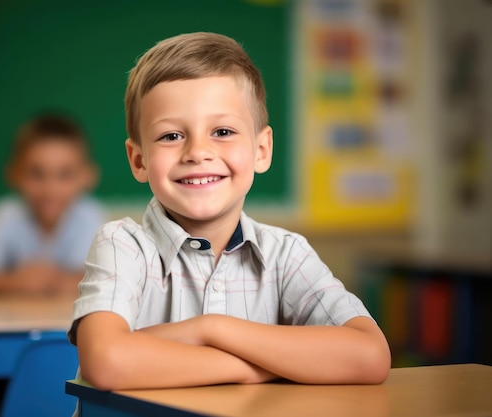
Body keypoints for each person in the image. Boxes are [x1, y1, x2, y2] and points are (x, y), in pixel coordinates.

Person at [70, 32, 390, 390]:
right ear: (139, 160)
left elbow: (369, 355)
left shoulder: (286, 255)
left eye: (222, 131)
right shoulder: (122, 245)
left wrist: (213, 328)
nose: (198, 152)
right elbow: (106, 362)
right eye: (171, 136)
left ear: (261, 150)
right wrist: (258, 366)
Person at [0, 114, 105, 295]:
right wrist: (14, 282)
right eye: (37, 174)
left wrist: (58, 282)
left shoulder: (90, 217)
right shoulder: (9, 215)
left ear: (88, 176)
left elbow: (107, 280)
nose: (49, 189)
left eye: (64, 175)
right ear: (15, 174)